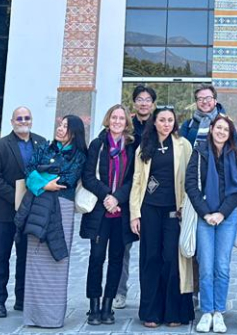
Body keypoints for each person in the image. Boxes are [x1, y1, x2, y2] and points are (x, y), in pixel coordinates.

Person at [19, 114, 88, 329]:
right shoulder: (44, 148)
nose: (60, 128)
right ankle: (33, 316)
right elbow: (29, 169)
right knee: (35, 259)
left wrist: (42, 177)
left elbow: (66, 178)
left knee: (57, 258)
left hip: (62, 207)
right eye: (60, 124)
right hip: (39, 204)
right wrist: (44, 184)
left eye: (66, 126)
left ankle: (52, 317)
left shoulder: (78, 156)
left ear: (74, 132)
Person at [130, 105, 195, 328]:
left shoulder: (183, 145)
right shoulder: (144, 147)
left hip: (174, 211)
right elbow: (138, 181)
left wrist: (185, 207)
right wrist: (134, 214)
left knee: (171, 259)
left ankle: (174, 311)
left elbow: (190, 179)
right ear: (154, 122)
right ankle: (151, 312)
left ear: (174, 123)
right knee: (151, 259)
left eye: (170, 120)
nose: (166, 124)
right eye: (162, 120)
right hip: (149, 210)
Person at [0, 106, 46, 318]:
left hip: (30, 213)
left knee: (25, 257)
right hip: (3, 212)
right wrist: (17, 198)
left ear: (31, 120)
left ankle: (22, 299)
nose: (23, 121)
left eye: (27, 117)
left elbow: (46, 173)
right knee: (1, 257)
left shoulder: (41, 143)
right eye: (19, 118)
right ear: (12, 122)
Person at [186, 115, 237, 333]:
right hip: (205, 216)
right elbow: (190, 184)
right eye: (218, 128)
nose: (221, 132)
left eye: (225, 129)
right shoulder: (199, 152)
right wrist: (206, 213)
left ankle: (218, 312)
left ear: (230, 134)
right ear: (211, 129)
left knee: (222, 266)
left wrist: (221, 213)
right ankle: (206, 312)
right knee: (205, 267)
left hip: (226, 218)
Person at [80, 105, 136, 327]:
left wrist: (118, 198)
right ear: (108, 119)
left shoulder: (132, 146)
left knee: (116, 260)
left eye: (121, 118)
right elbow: (88, 176)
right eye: (114, 117)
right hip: (100, 212)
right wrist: (107, 197)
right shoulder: (98, 144)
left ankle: (107, 305)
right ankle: (93, 306)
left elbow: (134, 178)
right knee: (96, 258)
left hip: (121, 213)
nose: (117, 121)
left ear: (126, 123)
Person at [116, 84, 157, 309]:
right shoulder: (126, 127)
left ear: (152, 104)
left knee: (152, 249)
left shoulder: (158, 125)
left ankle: (151, 294)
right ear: (134, 103)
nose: (143, 103)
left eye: (147, 99)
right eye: (139, 99)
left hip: (150, 194)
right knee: (123, 246)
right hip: (126, 191)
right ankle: (120, 292)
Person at [181, 85, 230, 149]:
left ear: (215, 101)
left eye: (208, 98)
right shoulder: (188, 125)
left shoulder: (227, 124)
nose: (204, 101)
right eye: (200, 99)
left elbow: (233, 150)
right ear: (196, 102)